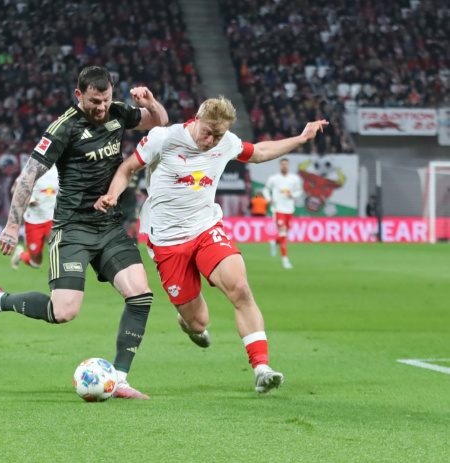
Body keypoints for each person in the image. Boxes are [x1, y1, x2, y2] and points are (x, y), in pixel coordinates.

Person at [94, 97, 328, 394]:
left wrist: (301, 138)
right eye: (207, 133)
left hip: (206, 229)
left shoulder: (226, 142)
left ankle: (262, 368)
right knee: (198, 322)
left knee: (240, 288)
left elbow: (259, 152)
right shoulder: (164, 138)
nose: (211, 141)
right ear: (197, 120)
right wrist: (113, 195)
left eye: (218, 135)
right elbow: (127, 168)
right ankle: (188, 322)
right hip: (167, 241)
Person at [0, 66, 168, 399]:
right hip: (73, 228)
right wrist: (12, 226)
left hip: (109, 225)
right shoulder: (64, 127)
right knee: (64, 312)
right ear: (79, 95)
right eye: (94, 102)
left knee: (140, 295)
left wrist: (151, 103)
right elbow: (28, 176)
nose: (101, 108)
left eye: (106, 100)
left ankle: (119, 379)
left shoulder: (118, 112)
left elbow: (159, 122)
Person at [10, 164, 59, 270]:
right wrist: (30, 200)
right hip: (33, 220)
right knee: (35, 263)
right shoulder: (32, 167)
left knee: (59, 252)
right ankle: (20, 254)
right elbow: (14, 189)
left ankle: (61, 277)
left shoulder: (61, 167)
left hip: (53, 218)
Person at [263, 158, 303, 269]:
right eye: (282, 164)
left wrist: (293, 195)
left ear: (288, 166)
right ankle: (285, 260)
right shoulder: (274, 178)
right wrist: (269, 198)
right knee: (283, 232)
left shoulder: (294, 179)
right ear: (280, 166)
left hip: (289, 209)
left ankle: (274, 242)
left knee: (284, 234)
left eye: (286, 164)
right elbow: (265, 190)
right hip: (278, 208)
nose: (284, 166)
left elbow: (299, 191)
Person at [117, 172, 140, 243]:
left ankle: (134, 241)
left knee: (131, 223)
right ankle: (133, 241)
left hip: (129, 204)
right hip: (125, 203)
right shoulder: (132, 174)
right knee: (124, 224)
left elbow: (136, 187)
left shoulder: (125, 174)